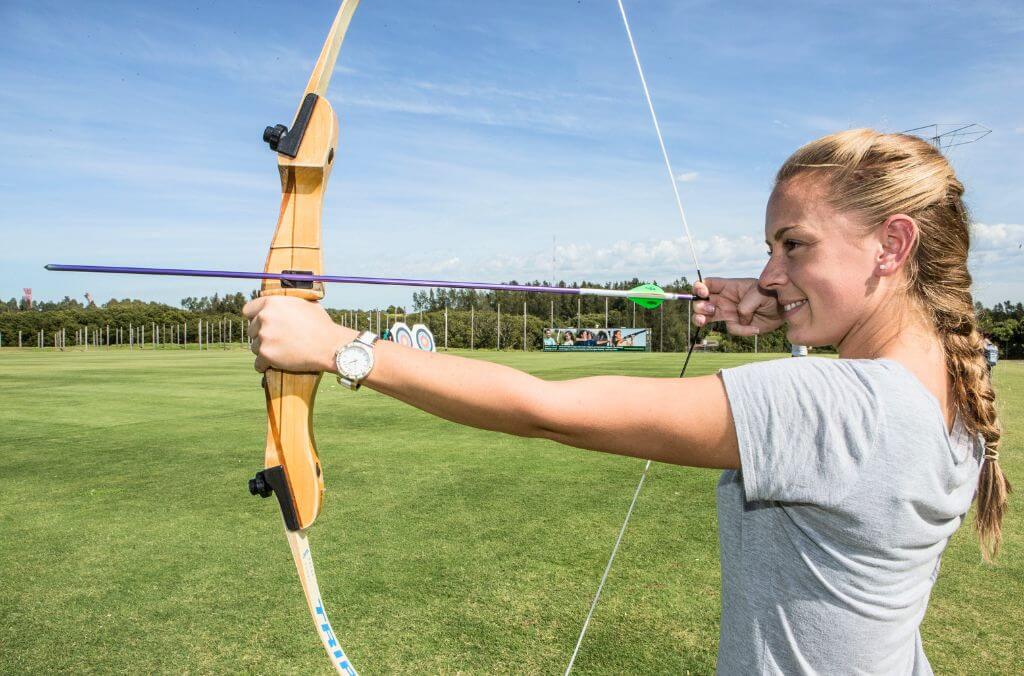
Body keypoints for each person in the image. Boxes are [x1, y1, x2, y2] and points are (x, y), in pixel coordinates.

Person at [243, 129, 1009, 673]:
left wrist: (339, 347)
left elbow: (545, 408)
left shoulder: (838, 407)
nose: (769, 270)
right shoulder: (945, 374)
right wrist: (794, 303)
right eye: (770, 250)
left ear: (894, 245)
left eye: (793, 243)